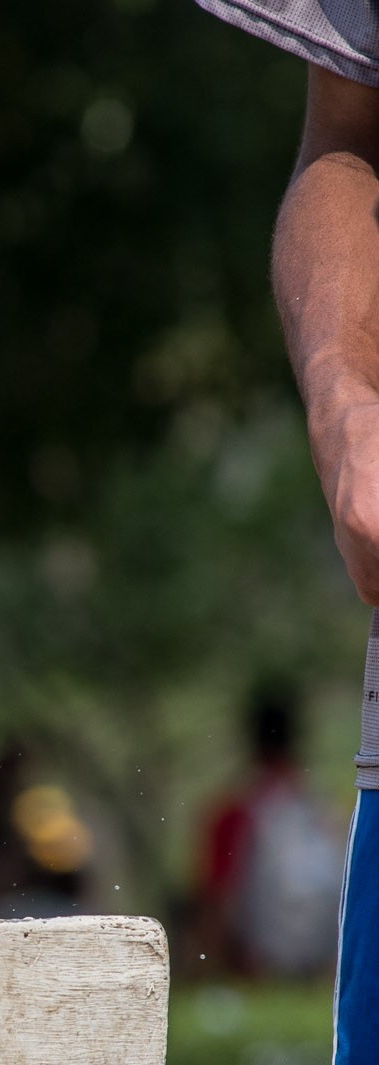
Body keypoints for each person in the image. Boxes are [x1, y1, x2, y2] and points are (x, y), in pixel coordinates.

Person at [196, 0, 379, 1057]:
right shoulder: (284, 813)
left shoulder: (245, 814)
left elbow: (219, 894)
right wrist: (344, 404)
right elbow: (347, 135)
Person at [194, 688, 342, 980]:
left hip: (256, 968)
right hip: (321, 966)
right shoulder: (325, 811)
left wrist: (204, 972)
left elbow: (216, 902)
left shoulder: (234, 813)